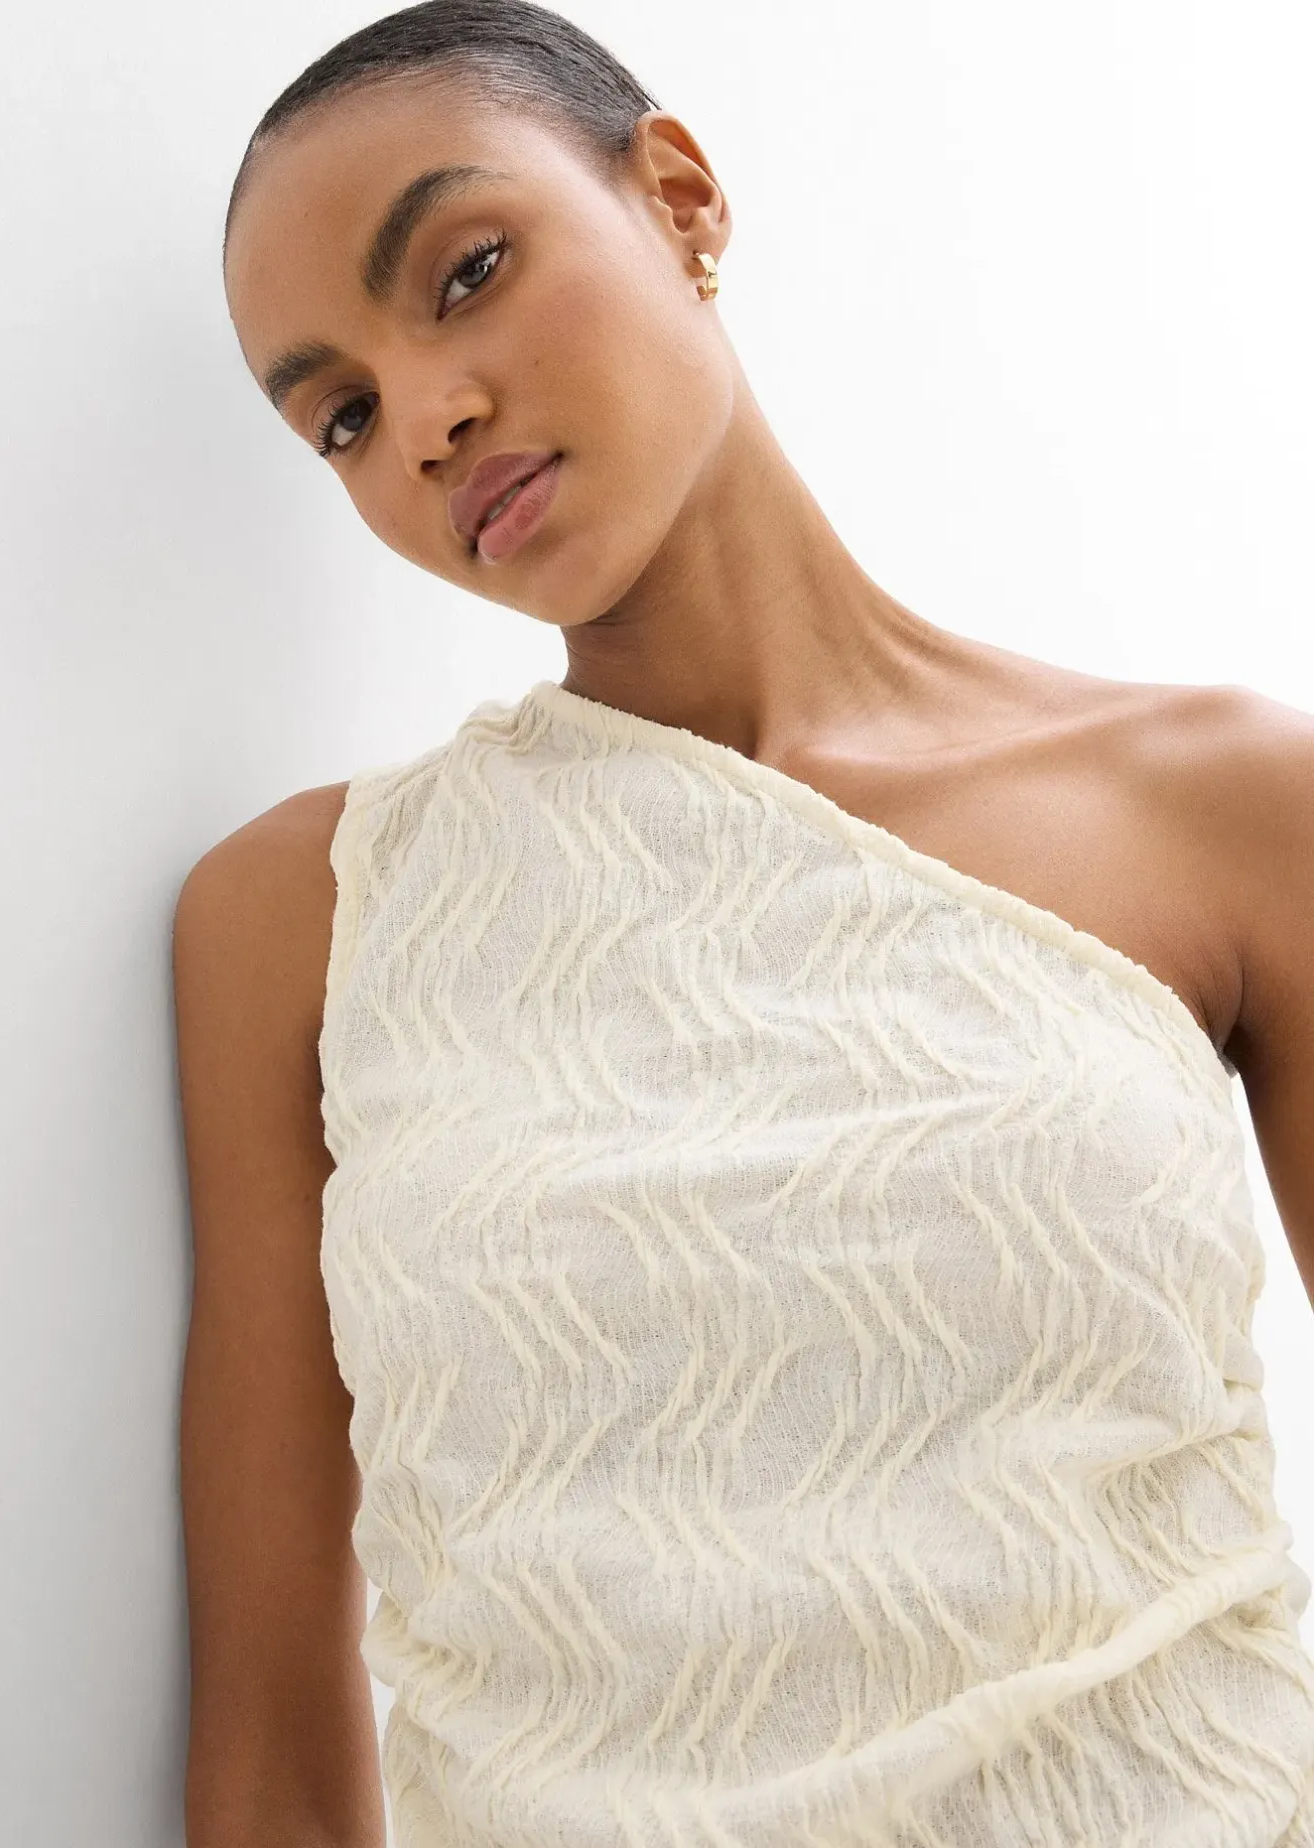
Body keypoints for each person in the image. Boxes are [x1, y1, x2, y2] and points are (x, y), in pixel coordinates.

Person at [174, 2, 1314, 1843]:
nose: (428, 421)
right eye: (346, 417)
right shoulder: (306, 922)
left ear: (681, 198)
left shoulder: (1229, 807)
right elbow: (271, 1773)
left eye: (466, 273)